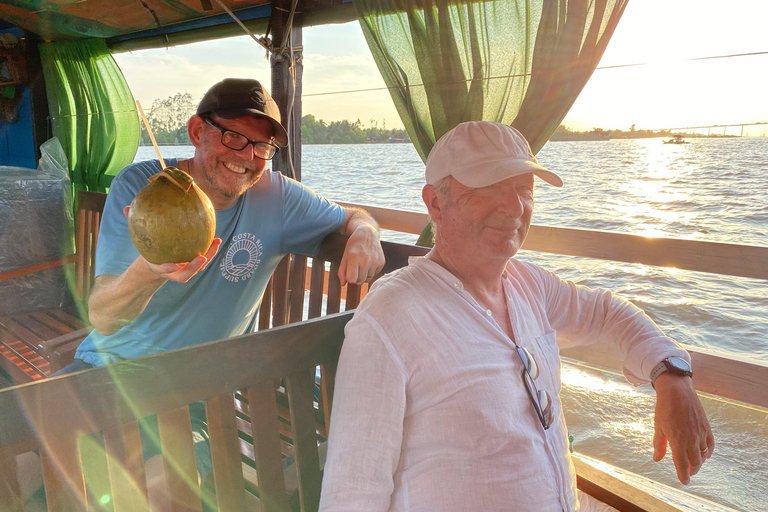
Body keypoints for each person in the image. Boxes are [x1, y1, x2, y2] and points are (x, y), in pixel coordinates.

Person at [318, 121, 714, 512]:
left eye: (525, 189)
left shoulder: (528, 285)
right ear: (435, 203)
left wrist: (670, 373)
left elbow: (607, 311)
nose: (514, 206)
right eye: (489, 187)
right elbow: (352, 493)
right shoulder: (390, 319)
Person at [50, 78, 385, 509]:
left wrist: (366, 234)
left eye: (261, 147)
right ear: (196, 131)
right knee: (21, 457)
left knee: (158, 495)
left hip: (195, 391)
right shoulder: (143, 188)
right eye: (233, 137)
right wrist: (150, 272)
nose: (247, 157)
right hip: (105, 368)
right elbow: (103, 316)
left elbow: (354, 216)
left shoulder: (277, 198)